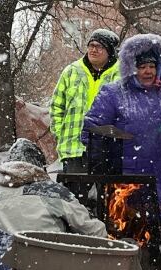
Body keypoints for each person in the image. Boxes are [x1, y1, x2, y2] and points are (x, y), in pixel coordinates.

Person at [82, 33, 161, 221]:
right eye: (142, 67)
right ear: (131, 68)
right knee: (126, 227)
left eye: (152, 66)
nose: (148, 71)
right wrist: (108, 159)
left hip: (160, 174)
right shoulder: (113, 93)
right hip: (125, 178)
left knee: (156, 230)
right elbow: (90, 131)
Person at [0, 138, 107, 236]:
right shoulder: (53, 192)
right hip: (52, 267)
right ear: (40, 166)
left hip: (5, 269)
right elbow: (94, 230)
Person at [50, 29, 120, 173]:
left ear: (110, 51)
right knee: (74, 194)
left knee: (108, 194)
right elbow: (57, 106)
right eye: (91, 45)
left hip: (107, 151)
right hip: (73, 149)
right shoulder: (71, 71)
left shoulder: (121, 74)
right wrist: (60, 133)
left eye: (99, 46)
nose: (93, 50)